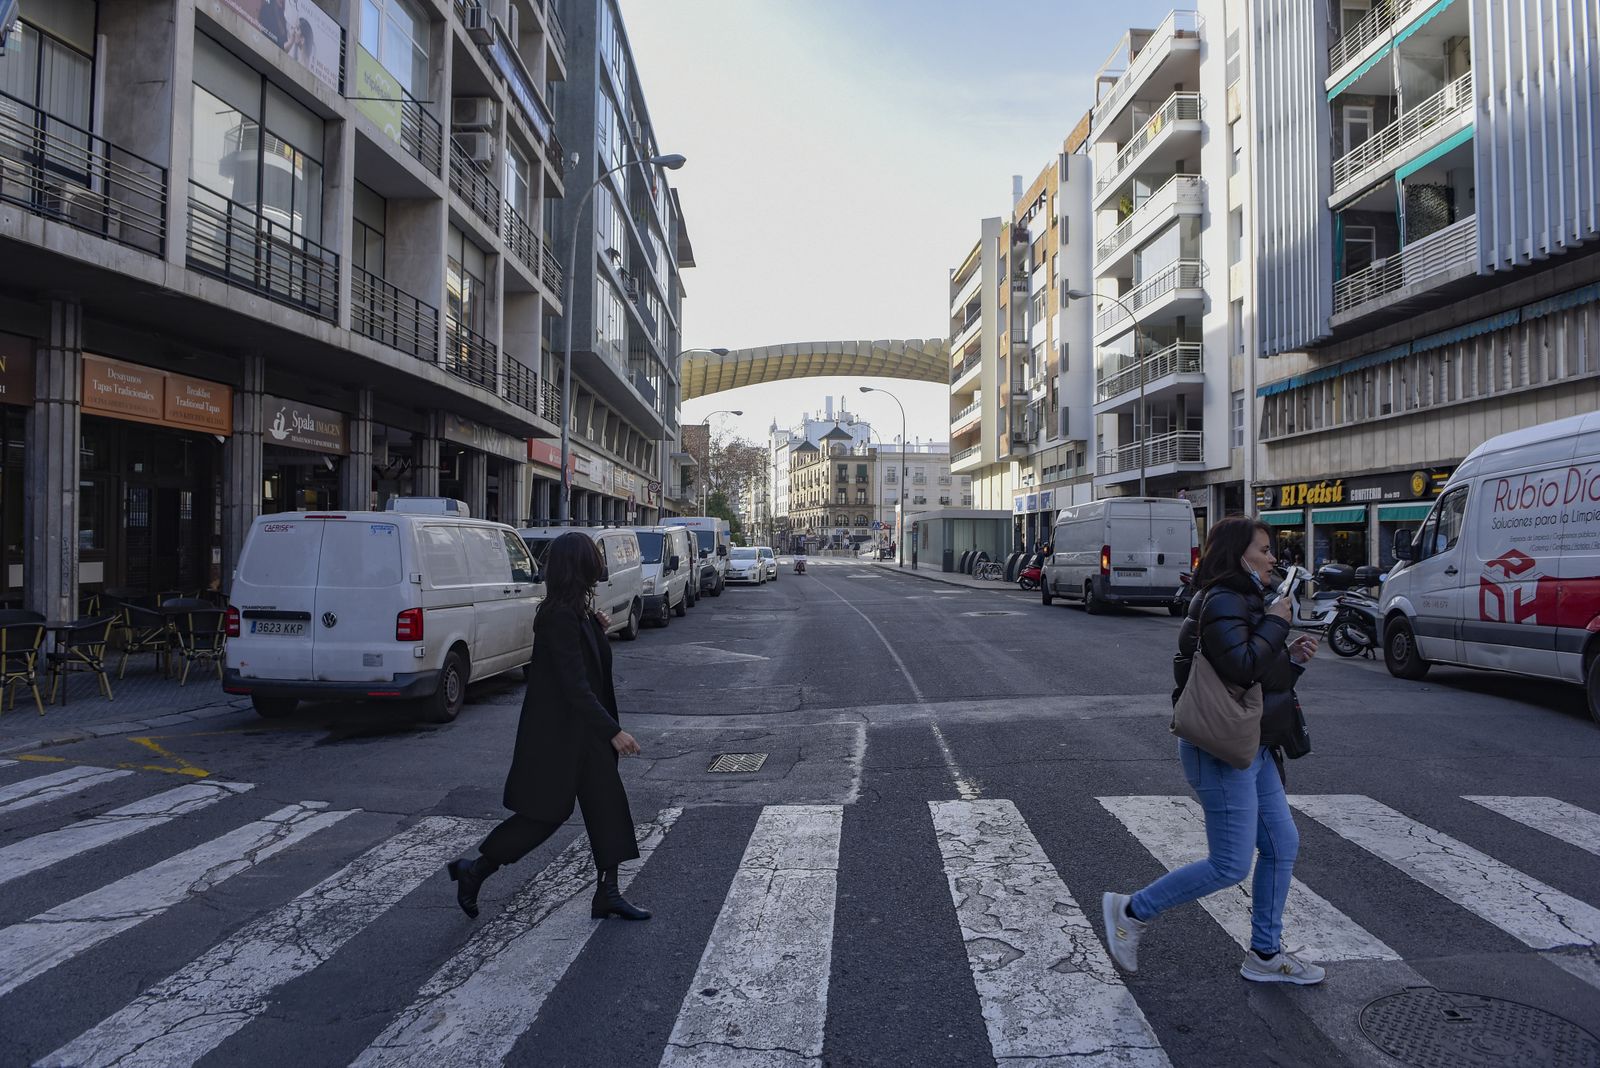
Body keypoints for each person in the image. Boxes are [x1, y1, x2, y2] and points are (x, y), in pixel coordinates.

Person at [1102, 516, 1323, 984]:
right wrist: (1279, 626)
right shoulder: (1223, 600)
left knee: (1282, 844)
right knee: (1229, 864)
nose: (1272, 558)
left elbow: (1256, 681)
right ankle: (1131, 910)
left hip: (1253, 743)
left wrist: (1294, 663)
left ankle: (1265, 954)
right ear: (1239, 555)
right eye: (1263, 549)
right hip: (1222, 748)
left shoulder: (1244, 600)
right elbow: (1242, 667)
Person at [447, 531, 650, 922]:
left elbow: (588, 666)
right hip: (561, 738)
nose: (599, 563)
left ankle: (607, 893)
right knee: (543, 817)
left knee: (608, 808)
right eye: (593, 557)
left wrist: (597, 629)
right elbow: (574, 686)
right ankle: (475, 871)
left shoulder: (576, 612)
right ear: (580, 566)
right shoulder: (558, 616)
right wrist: (613, 731)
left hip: (584, 737)